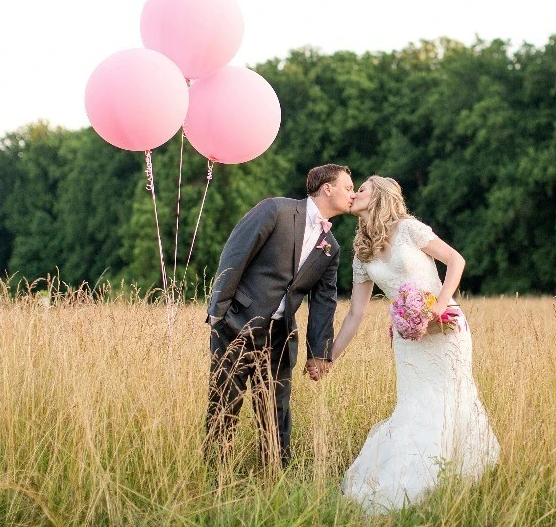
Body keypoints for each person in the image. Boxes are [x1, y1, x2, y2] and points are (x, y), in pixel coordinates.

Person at [331, 175, 500, 513]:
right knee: (415, 406)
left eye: (360, 189)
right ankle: (409, 482)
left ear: (379, 196)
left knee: (452, 397)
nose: (354, 194)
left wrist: (439, 304)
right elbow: (355, 314)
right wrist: (328, 357)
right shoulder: (361, 253)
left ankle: (455, 479)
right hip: (408, 340)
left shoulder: (408, 228)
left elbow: (456, 260)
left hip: (446, 329)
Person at [205, 164, 356, 469]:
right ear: (327, 188)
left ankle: (274, 477)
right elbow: (235, 254)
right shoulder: (275, 210)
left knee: (276, 411)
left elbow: (324, 302)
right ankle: (214, 476)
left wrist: (319, 353)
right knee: (225, 403)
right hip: (237, 323)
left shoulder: (332, 247)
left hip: (280, 336)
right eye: (349, 188)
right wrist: (218, 313)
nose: (353, 194)